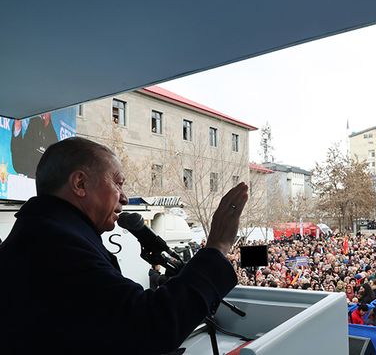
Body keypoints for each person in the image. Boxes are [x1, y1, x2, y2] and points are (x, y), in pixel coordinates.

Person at [0, 137, 248, 355]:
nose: (125, 197)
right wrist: (217, 245)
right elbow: (150, 326)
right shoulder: (56, 245)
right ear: (80, 184)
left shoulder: (45, 232)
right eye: (118, 183)